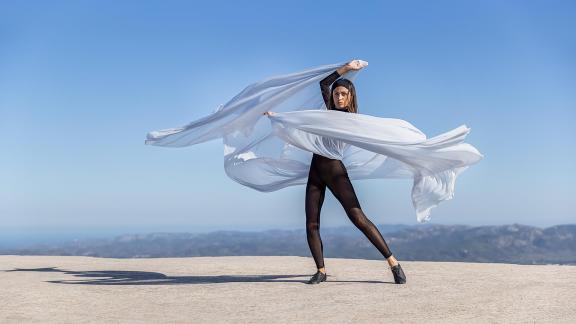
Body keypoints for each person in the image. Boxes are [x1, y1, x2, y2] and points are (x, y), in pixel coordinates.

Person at [264, 60, 407, 285]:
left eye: (343, 94)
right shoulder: (328, 113)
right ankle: (320, 270)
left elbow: (376, 138)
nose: (339, 97)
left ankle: (394, 263)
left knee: (358, 216)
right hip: (316, 172)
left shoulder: (352, 120)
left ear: (350, 97)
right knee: (311, 223)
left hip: (335, 172)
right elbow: (324, 83)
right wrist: (347, 68)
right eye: (337, 94)